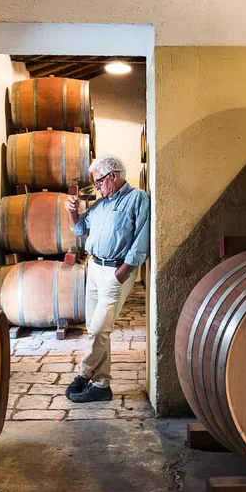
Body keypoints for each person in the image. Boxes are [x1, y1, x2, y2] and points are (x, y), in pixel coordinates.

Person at [63, 154, 150, 403]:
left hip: (114, 272)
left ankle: (83, 374)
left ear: (114, 175)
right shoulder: (101, 204)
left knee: (99, 328)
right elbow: (79, 229)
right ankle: (101, 385)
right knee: (97, 330)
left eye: (99, 181)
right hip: (94, 269)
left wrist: (122, 271)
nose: (98, 187)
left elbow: (141, 238)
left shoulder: (137, 198)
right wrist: (73, 212)